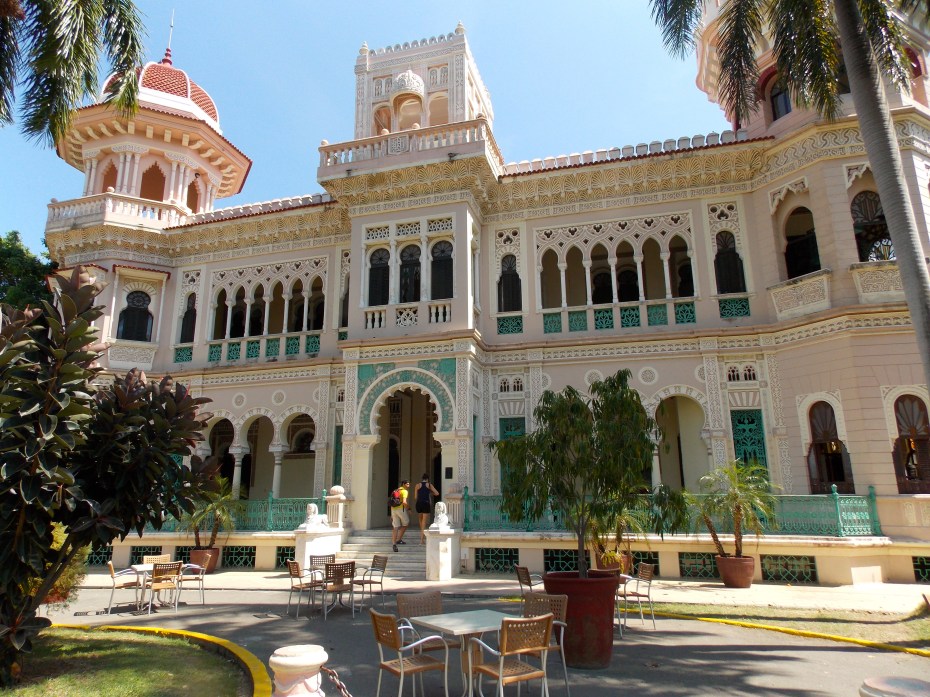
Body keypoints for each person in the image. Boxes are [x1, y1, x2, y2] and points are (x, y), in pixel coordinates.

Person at [414, 473, 440, 544]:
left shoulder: (417, 485)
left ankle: (422, 535)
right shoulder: (429, 485)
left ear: (422, 479)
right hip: (426, 503)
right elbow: (437, 493)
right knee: (424, 522)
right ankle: (422, 540)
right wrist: (430, 492)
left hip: (419, 504)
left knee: (421, 521)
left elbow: (415, 497)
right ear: (427, 479)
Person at [390, 479, 410, 552]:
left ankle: (394, 543)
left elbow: (391, 501)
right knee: (406, 523)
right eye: (407, 484)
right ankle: (399, 539)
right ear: (404, 484)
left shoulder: (395, 490)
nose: (409, 485)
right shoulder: (405, 491)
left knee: (395, 527)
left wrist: (392, 514)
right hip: (401, 509)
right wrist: (409, 508)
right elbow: (404, 502)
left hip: (393, 509)